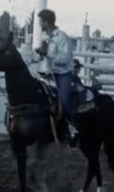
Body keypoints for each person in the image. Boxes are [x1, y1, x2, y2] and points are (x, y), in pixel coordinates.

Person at [35, 9, 75, 137]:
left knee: (64, 99)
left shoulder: (62, 37)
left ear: (46, 22)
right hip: (47, 74)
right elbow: (40, 58)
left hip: (62, 74)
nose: (39, 24)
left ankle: (72, 127)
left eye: (40, 21)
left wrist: (47, 54)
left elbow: (65, 59)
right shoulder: (45, 37)